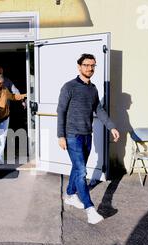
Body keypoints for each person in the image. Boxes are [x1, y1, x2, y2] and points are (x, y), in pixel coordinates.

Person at [57, 53, 120, 225]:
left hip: (86, 135)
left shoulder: (93, 89)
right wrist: (60, 136)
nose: (90, 68)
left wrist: (111, 126)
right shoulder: (68, 87)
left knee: (78, 168)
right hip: (72, 135)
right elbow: (61, 111)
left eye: (92, 65)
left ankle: (70, 195)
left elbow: (98, 110)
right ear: (79, 66)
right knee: (82, 171)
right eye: (86, 65)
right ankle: (90, 209)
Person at [0, 74, 27, 164]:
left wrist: (24, 95)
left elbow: (12, 96)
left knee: (2, 137)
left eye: (1, 83)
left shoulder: (5, 90)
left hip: (4, 118)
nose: (0, 85)